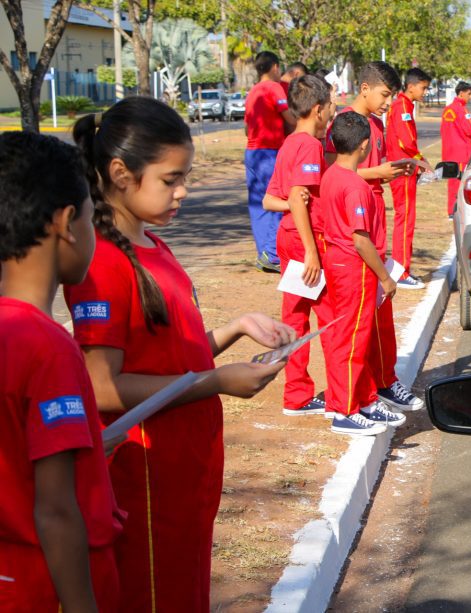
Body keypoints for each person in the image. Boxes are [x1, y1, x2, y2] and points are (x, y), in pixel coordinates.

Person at [67, 98, 295, 612]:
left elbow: (171, 356)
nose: (183, 191)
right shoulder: (103, 263)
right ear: (122, 174)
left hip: (185, 468)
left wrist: (235, 329)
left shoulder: (152, 244)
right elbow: (102, 385)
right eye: (171, 179)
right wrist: (216, 382)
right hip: (145, 477)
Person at [0, 132, 123, 612]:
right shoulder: (48, 347)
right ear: (66, 223)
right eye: (93, 218)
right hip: (46, 585)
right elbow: (55, 510)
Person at [326, 61, 426, 413]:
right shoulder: (344, 125)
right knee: (357, 326)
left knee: (380, 319)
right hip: (353, 232)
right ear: (365, 88)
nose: (388, 102)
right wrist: (378, 171)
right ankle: (363, 393)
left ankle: (384, 381)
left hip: (371, 219)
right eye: (385, 95)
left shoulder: (377, 123)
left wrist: (398, 167)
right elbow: (336, 169)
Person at [321, 111, 407, 435]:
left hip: (339, 264)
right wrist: (385, 277)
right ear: (366, 145)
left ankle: (365, 399)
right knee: (352, 340)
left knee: (359, 337)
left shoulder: (330, 175)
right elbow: (360, 239)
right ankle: (344, 410)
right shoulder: (355, 186)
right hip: (353, 269)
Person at [262, 75, 336, 417]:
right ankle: (341, 395)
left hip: (289, 235)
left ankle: (296, 395)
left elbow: (270, 200)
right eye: (331, 107)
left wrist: (296, 201)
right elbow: (294, 196)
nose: (332, 114)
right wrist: (311, 251)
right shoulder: (308, 145)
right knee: (331, 317)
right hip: (305, 239)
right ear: (318, 109)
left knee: (294, 319)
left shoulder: (290, 142)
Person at [244, 50, 297, 273]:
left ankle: (263, 252)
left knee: (258, 204)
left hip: (252, 152)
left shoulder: (252, 91)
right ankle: (272, 254)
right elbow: (289, 118)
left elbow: (247, 128)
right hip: (269, 151)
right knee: (276, 197)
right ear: (275, 67)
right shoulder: (273, 88)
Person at [386, 67, 433, 290]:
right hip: (404, 169)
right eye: (423, 87)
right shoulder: (403, 105)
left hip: (405, 169)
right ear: (411, 86)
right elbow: (406, 142)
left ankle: (401, 268)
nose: (425, 92)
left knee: (404, 221)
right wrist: (421, 160)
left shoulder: (403, 105)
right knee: (405, 223)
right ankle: (401, 272)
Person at [441, 81, 471, 216]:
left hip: (449, 151)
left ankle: (452, 210)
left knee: (453, 181)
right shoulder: (460, 109)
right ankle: (454, 211)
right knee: (458, 182)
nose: (470, 97)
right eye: (469, 94)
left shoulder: (448, 109)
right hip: (460, 153)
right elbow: (470, 129)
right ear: (461, 93)